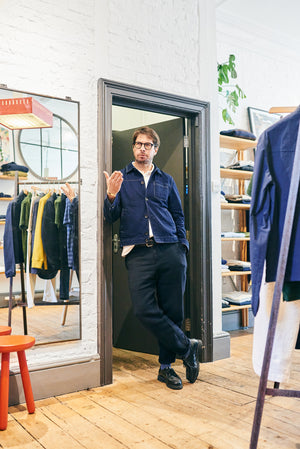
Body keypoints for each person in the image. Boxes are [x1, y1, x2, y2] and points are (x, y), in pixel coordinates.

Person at [103, 126, 202, 390]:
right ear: (133, 147)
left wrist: (182, 245)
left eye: (148, 145)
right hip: (138, 252)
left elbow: (178, 215)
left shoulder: (166, 180)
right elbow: (110, 217)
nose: (142, 148)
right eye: (138, 144)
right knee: (144, 309)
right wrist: (111, 195)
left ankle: (166, 368)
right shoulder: (121, 178)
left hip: (170, 249)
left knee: (173, 311)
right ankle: (186, 346)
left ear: (155, 149)